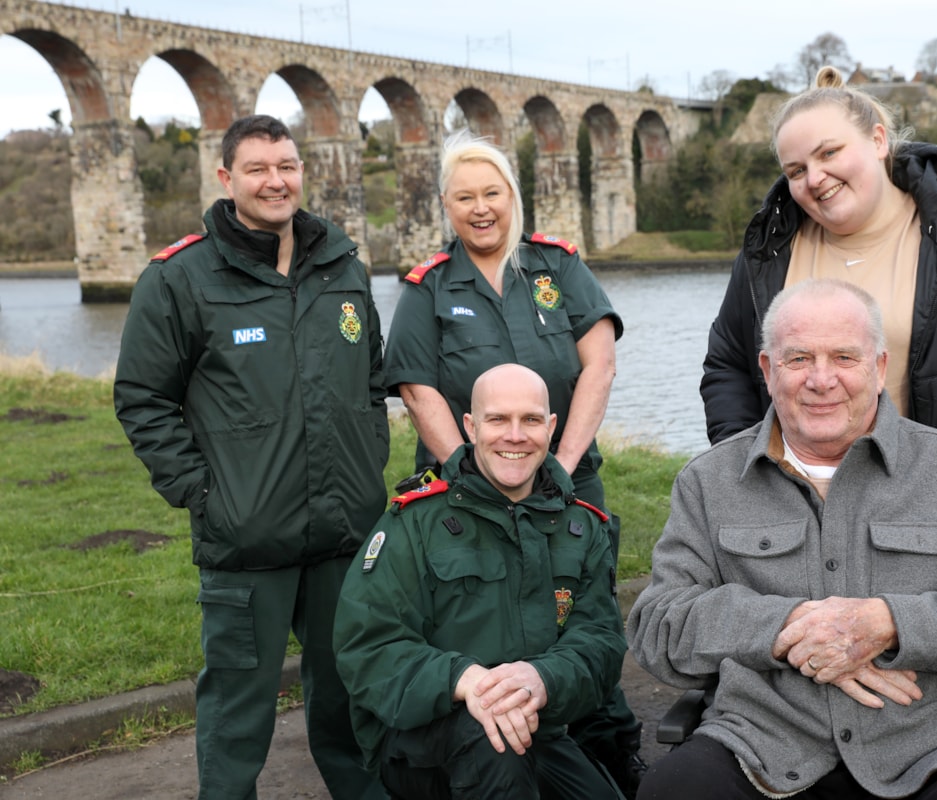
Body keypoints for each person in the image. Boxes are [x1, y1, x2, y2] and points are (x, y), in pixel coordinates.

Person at [628, 279, 937, 800]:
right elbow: (658, 628)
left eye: (843, 357)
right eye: (798, 359)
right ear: (768, 372)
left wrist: (889, 623)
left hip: (928, 752)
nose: (822, 379)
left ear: (879, 368)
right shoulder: (708, 482)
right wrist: (786, 626)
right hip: (759, 748)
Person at [113, 114, 389, 800]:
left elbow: (372, 382)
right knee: (237, 714)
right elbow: (143, 399)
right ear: (227, 177)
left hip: (344, 535)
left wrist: (367, 468)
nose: (276, 180)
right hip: (245, 537)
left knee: (352, 699)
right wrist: (203, 495)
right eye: (259, 168)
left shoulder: (344, 267)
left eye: (287, 165)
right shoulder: (181, 278)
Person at [701, 66, 937, 537]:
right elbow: (728, 365)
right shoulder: (769, 251)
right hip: (801, 521)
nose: (815, 178)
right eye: (796, 170)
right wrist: (747, 478)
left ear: (879, 140)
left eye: (830, 153)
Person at [385, 130, 646, 793]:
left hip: (568, 478)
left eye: (492, 193)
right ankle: (494, 747)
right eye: (464, 197)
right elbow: (418, 389)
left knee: (585, 616)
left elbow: (600, 364)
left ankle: (612, 748)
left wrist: (556, 463)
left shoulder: (558, 268)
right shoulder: (429, 288)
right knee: (494, 616)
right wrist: (479, 473)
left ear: (513, 197)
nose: (480, 208)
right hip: (470, 489)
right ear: (446, 204)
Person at [333, 364, 626, 799]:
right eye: (497, 419)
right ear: (470, 427)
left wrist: (542, 677)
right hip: (420, 737)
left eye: (529, 420)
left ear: (550, 428)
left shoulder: (579, 526)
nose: (514, 435)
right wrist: (465, 679)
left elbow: (601, 643)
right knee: (497, 748)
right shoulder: (414, 523)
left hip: (533, 727)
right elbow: (368, 644)